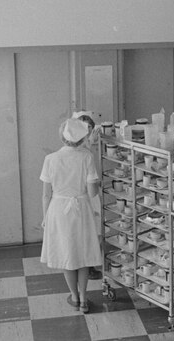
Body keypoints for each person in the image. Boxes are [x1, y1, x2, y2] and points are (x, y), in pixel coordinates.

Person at [40, 117, 102, 313]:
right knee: (82, 255)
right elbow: (93, 192)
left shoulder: (50, 159)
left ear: (62, 136)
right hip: (81, 208)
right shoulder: (87, 157)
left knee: (67, 254)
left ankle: (74, 297)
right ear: (82, 137)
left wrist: (45, 218)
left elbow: (45, 194)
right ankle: (84, 299)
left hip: (58, 210)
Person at [72, 110, 104, 280]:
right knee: (92, 230)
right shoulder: (83, 153)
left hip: (88, 194)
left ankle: (87, 263)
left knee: (93, 230)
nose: (90, 134)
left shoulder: (85, 149)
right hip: (86, 195)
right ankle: (87, 265)